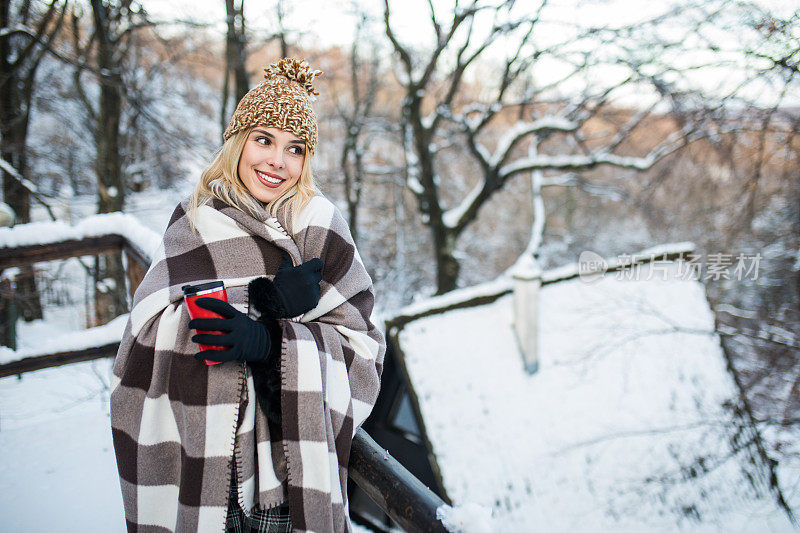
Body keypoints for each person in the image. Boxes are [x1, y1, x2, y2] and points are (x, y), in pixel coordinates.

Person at [110, 57, 385, 533]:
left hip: (285, 479)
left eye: (295, 148)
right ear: (238, 142)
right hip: (202, 468)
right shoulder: (197, 219)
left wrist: (270, 341)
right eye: (264, 139)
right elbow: (147, 329)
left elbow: (364, 350)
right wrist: (268, 308)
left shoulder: (319, 227)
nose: (278, 161)